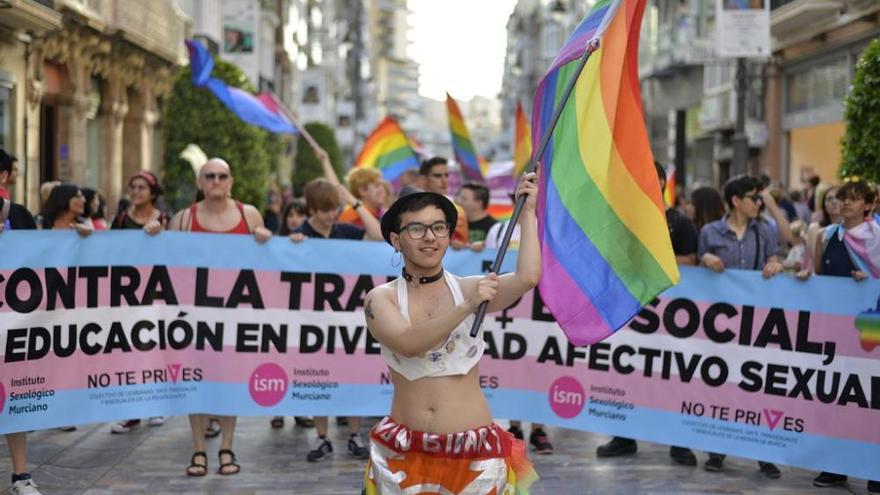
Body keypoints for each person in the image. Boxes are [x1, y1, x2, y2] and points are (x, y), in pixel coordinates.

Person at [361, 172, 541, 492]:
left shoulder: (469, 287)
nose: (430, 237)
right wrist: (467, 306)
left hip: (475, 454)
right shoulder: (381, 298)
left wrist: (527, 213)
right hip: (404, 455)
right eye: (416, 229)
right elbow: (408, 343)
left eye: (438, 227)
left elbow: (527, 277)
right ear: (395, 239)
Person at [169, 158, 273, 476]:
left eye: (222, 175)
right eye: (209, 176)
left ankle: (227, 447)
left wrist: (272, 242)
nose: (216, 180)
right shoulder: (184, 219)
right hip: (194, 316)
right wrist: (153, 235)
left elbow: (272, 263)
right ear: (200, 182)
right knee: (196, 382)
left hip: (236, 317)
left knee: (229, 383)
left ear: (231, 181)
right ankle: (199, 450)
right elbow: (165, 264)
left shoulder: (249, 214)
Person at [596, 162, 698, 465]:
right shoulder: (621, 221)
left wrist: (651, 261)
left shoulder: (679, 223)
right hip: (631, 314)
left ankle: (678, 443)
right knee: (626, 373)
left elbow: (691, 261)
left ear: (665, 182)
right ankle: (623, 437)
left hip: (672, 320)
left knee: (673, 376)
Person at [288, 178, 382, 462]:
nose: (332, 215)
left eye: (335, 209)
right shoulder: (301, 232)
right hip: (313, 320)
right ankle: (322, 437)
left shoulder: (345, 230)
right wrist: (295, 243)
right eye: (326, 210)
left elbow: (377, 235)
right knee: (318, 378)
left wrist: (354, 203)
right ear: (312, 210)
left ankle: (353, 436)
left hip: (346, 319)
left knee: (350, 376)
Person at [797, 178, 879, 494]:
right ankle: (835, 466)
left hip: (870, 332)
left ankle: (875, 468)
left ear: (869, 205)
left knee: (871, 400)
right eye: (843, 198)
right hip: (833, 332)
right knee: (837, 398)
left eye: (855, 199)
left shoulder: (877, 238)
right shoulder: (827, 235)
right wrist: (806, 276)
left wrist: (870, 280)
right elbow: (815, 274)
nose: (846, 203)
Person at [698, 175, 783, 479]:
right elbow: (698, 267)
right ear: (736, 201)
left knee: (755, 387)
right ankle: (717, 450)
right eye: (753, 197)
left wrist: (775, 264)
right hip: (720, 323)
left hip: (754, 322)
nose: (758, 203)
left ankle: (763, 454)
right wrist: (705, 258)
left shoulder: (764, 231)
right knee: (721, 384)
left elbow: (775, 257)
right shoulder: (710, 232)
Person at [108, 171, 168, 433]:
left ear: (153, 192)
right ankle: (132, 411)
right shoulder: (122, 218)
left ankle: (154, 404)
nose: (136, 191)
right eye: (132, 187)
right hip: (127, 294)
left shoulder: (164, 219)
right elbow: (107, 247)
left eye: (142, 187)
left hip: (156, 292)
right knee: (128, 350)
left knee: (153, 348)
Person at [419, 157, 468, 246]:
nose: (444, 180)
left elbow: (462, 247)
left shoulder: (458, 212)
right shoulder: (409, 208)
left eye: (446, 175)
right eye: (437, 176)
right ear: (423, 180)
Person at [456, 182, 497, 251]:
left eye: (464, 199)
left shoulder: (495, 227)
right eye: (458, 196)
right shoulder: (455, 223)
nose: (458, 201)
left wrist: (485, 247)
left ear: (478, 203)